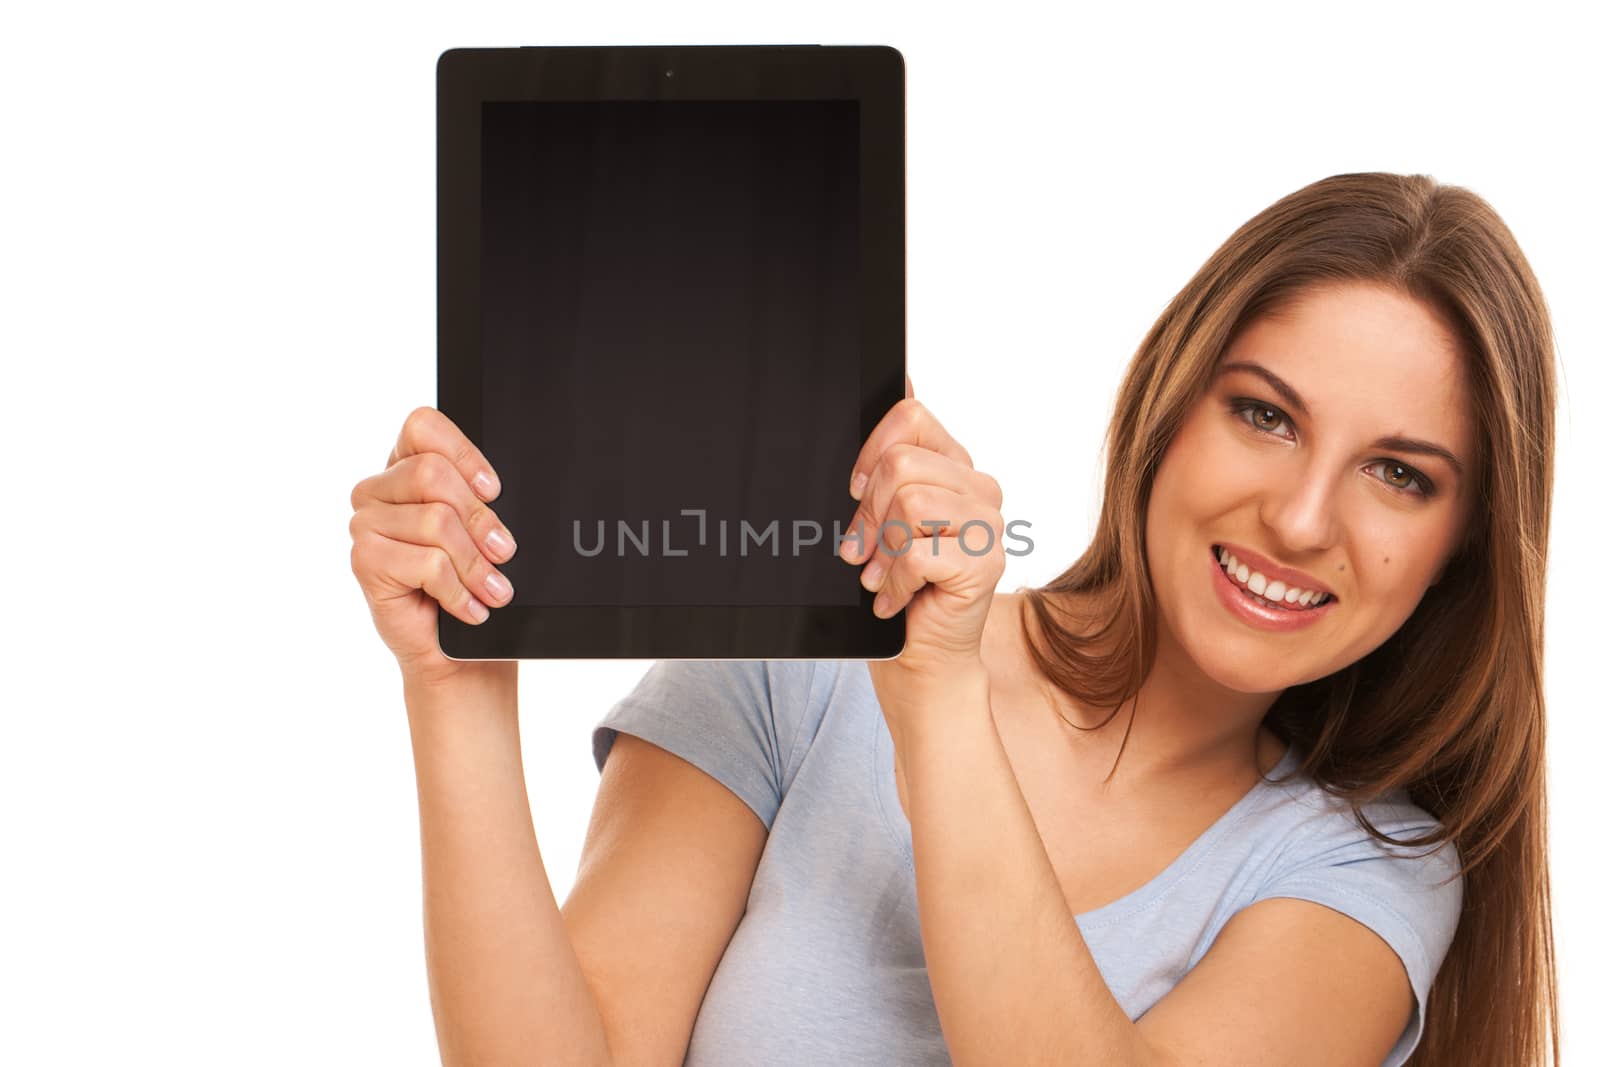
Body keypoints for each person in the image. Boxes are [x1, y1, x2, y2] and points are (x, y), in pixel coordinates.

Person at [347, 171, 1559, 1066]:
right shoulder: (794, 662)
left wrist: (936, 701)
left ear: (1461, 544)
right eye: (1265, 415)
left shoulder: (1361, 869)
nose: (1299, 518)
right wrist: (452, 683)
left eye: (1400, 473)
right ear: (1169, 408)